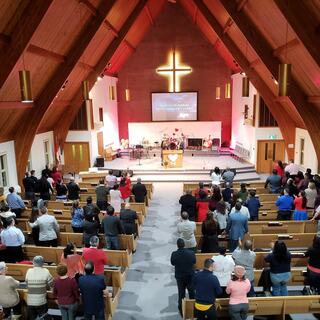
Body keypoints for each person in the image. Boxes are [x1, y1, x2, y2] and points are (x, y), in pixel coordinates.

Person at [170, 238, 195, 316]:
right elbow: (194, 262)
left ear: (177, 245)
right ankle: (194, 308)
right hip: (190, 276)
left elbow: (172, 263)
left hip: (180, 276)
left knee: (181, 293)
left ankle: (181, 309)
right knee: (191, 292)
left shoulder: (174, 254)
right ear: (184, 244)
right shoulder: (191, 253)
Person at [25, 256, 54, 320]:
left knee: (33, 318)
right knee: (43, 317)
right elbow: (52, 283)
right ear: (43, 263)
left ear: (33, 263)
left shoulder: (29, 271)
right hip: (41, 301)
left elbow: (27, 284)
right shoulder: (46, 271)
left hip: (30, 301)